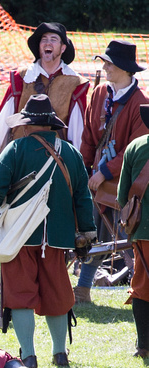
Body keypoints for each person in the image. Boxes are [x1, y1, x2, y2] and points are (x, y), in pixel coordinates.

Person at [0, 95, 95, 368]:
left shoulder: (16, 149)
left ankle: (29, 356)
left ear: (26, 124)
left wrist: (5, 203)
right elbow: (83, 198)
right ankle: (60, 354)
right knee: (57, 293)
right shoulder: (71, 153)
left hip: (19, 237)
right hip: (57, 238)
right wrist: (87, 233)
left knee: (20, 294)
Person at [76, 40, 149, 305]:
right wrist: (85, 170)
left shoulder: (141, 104)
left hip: (126, 183)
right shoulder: (98, 94)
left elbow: (134, 149)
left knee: (130, 236)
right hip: (95, 180)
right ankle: (82, 289)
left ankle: (139, 288)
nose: (105, 67)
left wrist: (105, 172)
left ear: (125, 69)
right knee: (91, 232)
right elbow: (87, 135)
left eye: (109, 63)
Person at [0, 22, 89, 172]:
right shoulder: (22, 77)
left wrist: (75, 162)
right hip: (19, 155)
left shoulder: (74, 82)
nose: (48, 43)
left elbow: (76, 129)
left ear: (63, 48)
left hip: (54, 161)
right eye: (44, 39)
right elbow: (4, 117)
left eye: (53, 39)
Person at [116, 104, 149, 359]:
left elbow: (122, 195)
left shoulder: (135, 147)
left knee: (142, 286)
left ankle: (144, 347)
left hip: (143, 231)